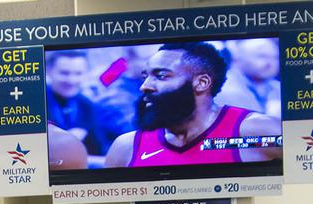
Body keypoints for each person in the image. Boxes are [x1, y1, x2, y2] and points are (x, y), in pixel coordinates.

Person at [105, 42, 281, 168]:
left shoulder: (256, 131)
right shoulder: (126, 147)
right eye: (146, 77)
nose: (145, 86)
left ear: (202, 83)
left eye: (161, 76)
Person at [46, 51, 105, 160]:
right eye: (64, 73)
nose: (71, 80)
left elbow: (100, 151)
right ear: (49, 71)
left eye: (78, 73)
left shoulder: (87, 105)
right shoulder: (37, 102)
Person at [216, 38, 282, 117]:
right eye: (262, 56)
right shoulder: (222, 89)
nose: (269, 63)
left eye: (275, 57)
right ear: (239, 57)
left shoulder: (280, 88)